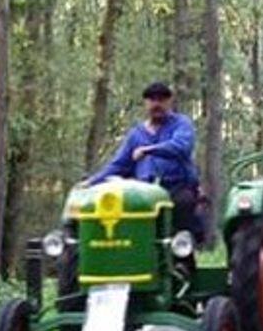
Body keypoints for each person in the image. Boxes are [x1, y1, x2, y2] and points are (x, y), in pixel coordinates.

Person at [85, 81, 205, 241]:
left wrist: (149, 150)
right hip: (143, 193)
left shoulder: (181, 124)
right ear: (146, 103)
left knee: (182, 214)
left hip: (176, 188)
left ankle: (183, 259)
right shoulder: (136, 134)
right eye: (152, 100)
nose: (157, 104)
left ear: (169, 102)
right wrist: (92, 182)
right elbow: (119, 164)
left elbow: (181, 147)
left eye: (161, 100)